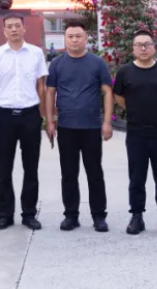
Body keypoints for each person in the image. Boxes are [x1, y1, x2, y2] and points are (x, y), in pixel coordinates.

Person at [113, 30, 157, 237]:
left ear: (154, 47)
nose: (143, 48)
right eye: (139, 45)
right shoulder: (125, 72)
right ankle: (137, 216)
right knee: (136, 178)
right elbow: (119, 96)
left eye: (147, 44)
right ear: (133, 49)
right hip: (136, 134)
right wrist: (134, 110)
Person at [45, 20, 113, 232]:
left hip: (91, 127)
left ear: (86, 38)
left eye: (78, 36)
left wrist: (107, 122)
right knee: (68, 174)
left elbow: (107, 92)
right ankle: (71, 215)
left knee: (94, 172)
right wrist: (50, 121)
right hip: (66, 127)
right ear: (65, 39)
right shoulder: (57, 64)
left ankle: (99, 216)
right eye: (70, 36)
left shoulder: (97, 63)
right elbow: (50, 93)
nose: (74, 40)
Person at [0, 13, 48, 230]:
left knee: (31, 167)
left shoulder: (36, 53)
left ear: (24, 29)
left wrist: (42, 116)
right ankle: (5, 214)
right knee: (4, 168)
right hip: (4, 115)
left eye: (17, 26)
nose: (13, 29)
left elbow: (41, 85)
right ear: (4, 31)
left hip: (30, 114)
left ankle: (29, 214)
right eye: (9, 26)